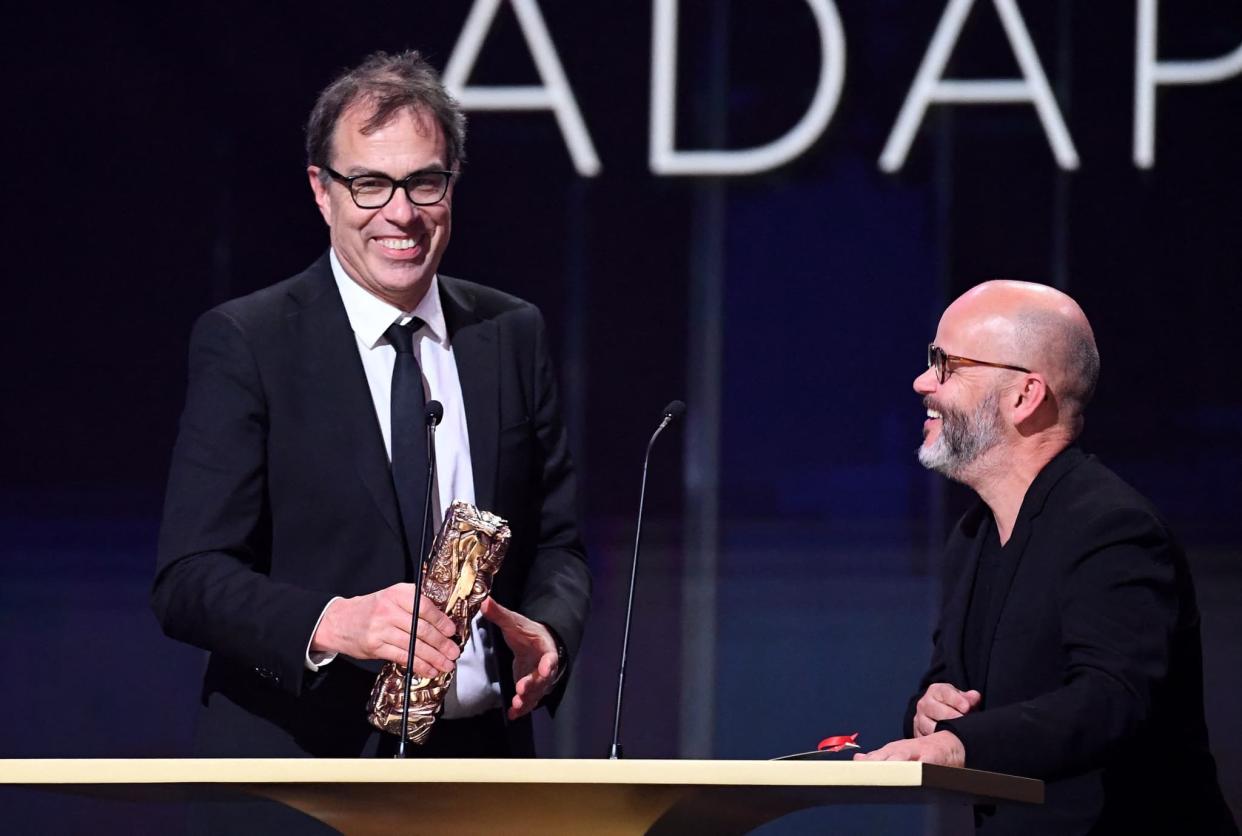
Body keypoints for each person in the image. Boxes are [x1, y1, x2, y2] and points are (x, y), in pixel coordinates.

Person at [152, 50, 591, 768]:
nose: (401, 212)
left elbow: (558, 546)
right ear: (321, 192)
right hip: (300, 774)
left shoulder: (510, 333)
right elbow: (188, 579)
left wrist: (548, 630)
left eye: (424, 182)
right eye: (370, 184)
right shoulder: (249, 343)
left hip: (480, 773)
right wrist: (335, 621)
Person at [855, 281, 1237, 835]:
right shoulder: (974, 534)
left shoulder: (1112, 526)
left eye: (946, 364)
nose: (921, 382)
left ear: (1025, 396)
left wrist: (959, 744)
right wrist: (929, 711)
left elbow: (1112, 699)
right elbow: (954, 692)